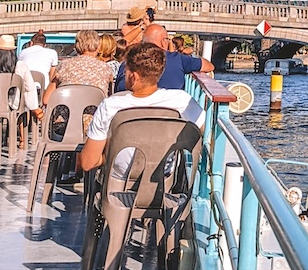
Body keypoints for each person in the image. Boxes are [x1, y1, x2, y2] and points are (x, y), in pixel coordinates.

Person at [78, 41, 203, 176]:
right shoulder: (181, 101)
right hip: (162, 182)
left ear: (134, 77)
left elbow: (87, 163)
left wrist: (110, 153)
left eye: (125, 71)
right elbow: (205, 131)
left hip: (118, 183)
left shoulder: (110, 106)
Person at [112, 22, 210, 94]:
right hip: (169, 116)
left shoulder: (128, 60)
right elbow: (208, 66)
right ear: (163, 42)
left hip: (129, 116)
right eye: (167, 39)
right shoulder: (178, 59)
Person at [44, 29, 114, 104]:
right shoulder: (105, 68)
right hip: (95, 114)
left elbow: (47, 99)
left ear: (76, 46)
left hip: (67, 114)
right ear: (98, 46)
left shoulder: (63, 65)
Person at [14, 29, 60, 117]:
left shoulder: (23, 52)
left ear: (31, 43)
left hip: (25, 87)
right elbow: (52, 73)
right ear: (45, 45)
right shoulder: (52, 53)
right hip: (43, 87)